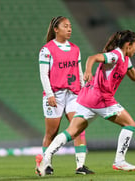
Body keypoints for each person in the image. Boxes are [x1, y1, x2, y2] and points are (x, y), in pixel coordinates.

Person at [36, 30, 135, 176]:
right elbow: (93, 58)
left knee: (73, 131)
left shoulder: (126, 59)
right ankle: (119, 161)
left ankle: (45, 158)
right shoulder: (115, 56)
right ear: (128, 45)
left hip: (86, 97)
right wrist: (88, 71)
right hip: (101, 98)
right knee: (129, 124)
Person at [36, 16, 94, 175]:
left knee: (79, 129)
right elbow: (43, 74)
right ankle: (46, 164)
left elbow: (79, 72)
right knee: (51, 133)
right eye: (65, 26)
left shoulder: (75, 49)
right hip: (55, 95)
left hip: (74, 94)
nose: (69, 29)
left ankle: (80, 166)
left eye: (70, 26)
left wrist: (83, 90)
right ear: (56, 29)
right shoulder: (47, 49)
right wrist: (49, 94)